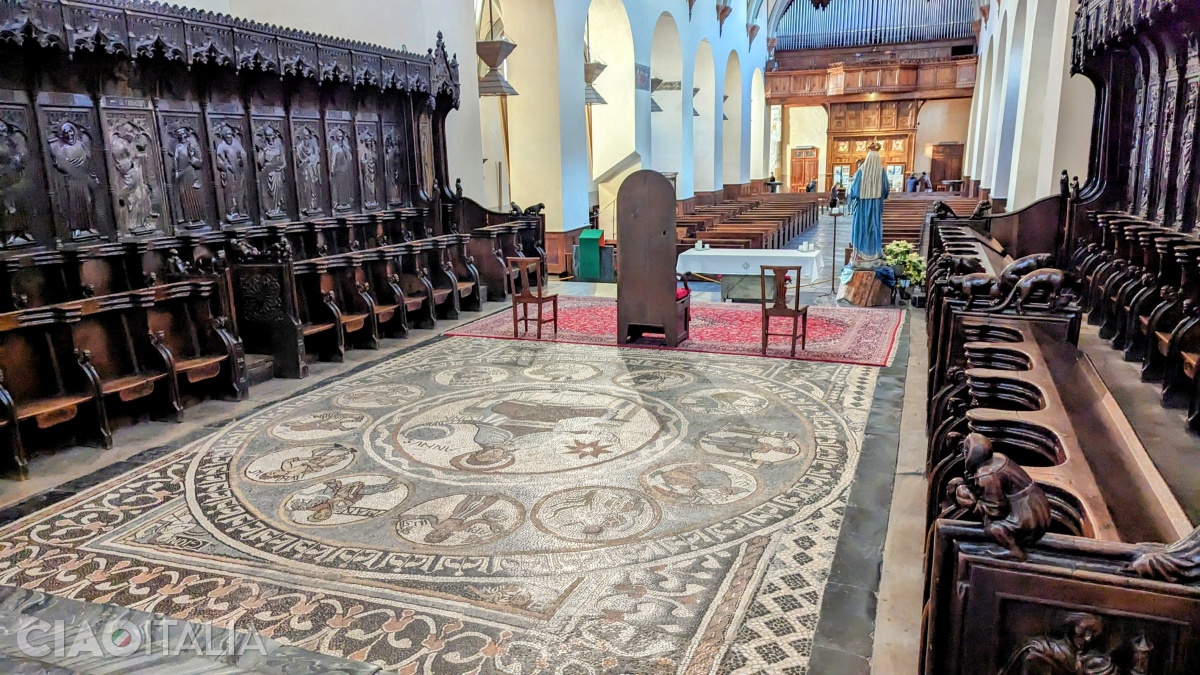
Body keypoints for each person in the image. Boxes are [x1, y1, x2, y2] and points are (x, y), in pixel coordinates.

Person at [848, 142, 889, 263]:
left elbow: (854, 190)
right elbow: (886, 190)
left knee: (861, 227)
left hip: (862, 206)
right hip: (875, 206)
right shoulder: (881, 171)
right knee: (873, 227)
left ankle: (859, 253)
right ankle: (874, 253)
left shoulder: (861, 171)